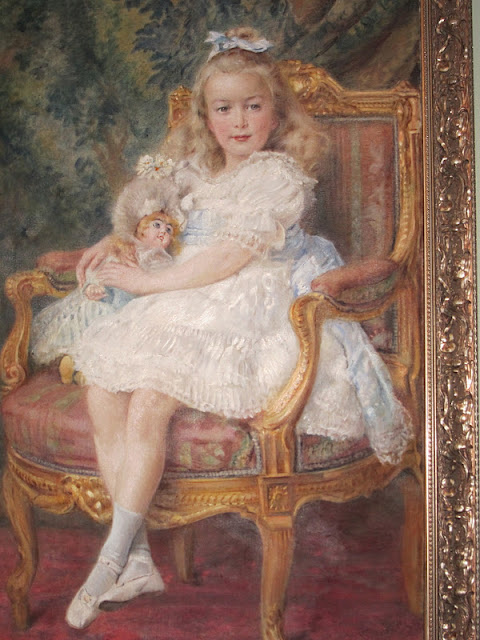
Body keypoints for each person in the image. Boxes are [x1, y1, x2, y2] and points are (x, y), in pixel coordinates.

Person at [65, 27, 412, 628]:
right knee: (102, 389)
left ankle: (109, 560)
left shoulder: (278, 176)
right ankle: (139, 559)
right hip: (182, 295)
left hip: (242, 304)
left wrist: (146, 284)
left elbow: (226, 260)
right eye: (224, 109)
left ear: (276, 112)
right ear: (206, 117)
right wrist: (115, 240)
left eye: (253, 106)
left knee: (150, 400)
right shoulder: (194, 172)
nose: (240, 121)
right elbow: (151, 219)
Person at [30, 176, 182, 379]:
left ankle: (96, 370)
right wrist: (92, 287)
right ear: (140, 228)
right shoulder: (122, 250)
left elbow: (163, 286)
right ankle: (77, 363)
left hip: (137, 308)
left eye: (169, 230)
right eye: (157, 225)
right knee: (97, 313)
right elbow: (100, 272)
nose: (163, 231)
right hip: (110, 299)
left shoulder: (163, 261)